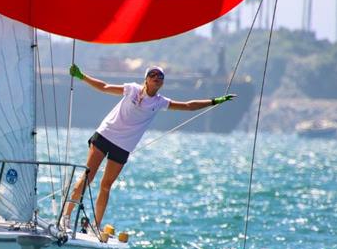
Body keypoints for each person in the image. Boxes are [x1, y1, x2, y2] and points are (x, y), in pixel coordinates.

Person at [63, 64, 235, 228]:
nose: (156, 78)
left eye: (160, 76)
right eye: (152, 75)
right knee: (87, 177)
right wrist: (81, 76)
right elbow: (105, 87)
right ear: (146, 79)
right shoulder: (132, 89)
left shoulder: (160, 102)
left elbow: (188, 106)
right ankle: (66, 216)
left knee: (106, 186)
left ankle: (96, 225)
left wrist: (215, 101)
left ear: (162, 82)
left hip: (123, 146)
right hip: (105, 134)